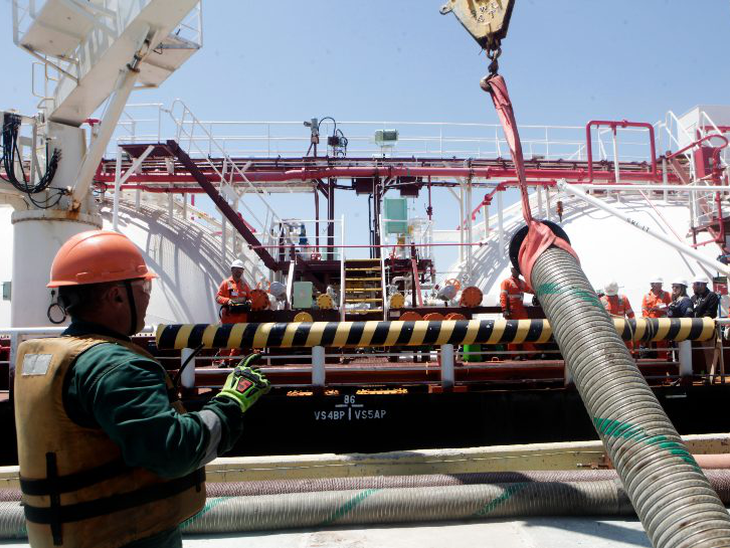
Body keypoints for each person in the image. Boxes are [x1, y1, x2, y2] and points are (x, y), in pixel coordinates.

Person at [14, 230, 270, 548]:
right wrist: (230, 402)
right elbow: (173, 452)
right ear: (116, 296)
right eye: (144, 287)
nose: (148, 296)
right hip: (126, 538)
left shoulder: (57, 358)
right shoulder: (118, 367)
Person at [500, 266, 536, 359]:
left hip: (521, 311)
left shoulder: (521, 282)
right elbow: (503, 296)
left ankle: (531, 353)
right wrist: (505, 310)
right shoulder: (506, 282)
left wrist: (538, 291)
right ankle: (514, 354)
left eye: (517, 270)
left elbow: (530, 289)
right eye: (515, 270)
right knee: (512, 332)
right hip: (512, 311)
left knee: (526, 330)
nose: (516, 271)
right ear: (512, 270)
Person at [641, 277, 671, 360]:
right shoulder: (646, 296)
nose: (660, 285)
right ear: (653, 285)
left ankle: (663, 360)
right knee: (650, 344)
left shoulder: (667, 295)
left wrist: (659, 308)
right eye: (658, 284)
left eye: (661, 284)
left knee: (662, 343)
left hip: (662, 324)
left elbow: (670, 308)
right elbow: (644, 310)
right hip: (650, 325)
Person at [216, 259, 252, 324]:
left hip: (242, 322)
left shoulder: (244, 285)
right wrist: (228, 301)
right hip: (228, 321)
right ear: (232, 269)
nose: (239, 271)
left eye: (241, 269)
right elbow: (218, 298)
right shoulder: (225, 283)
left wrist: (249, 302)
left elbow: (250, 298)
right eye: (236, 268)